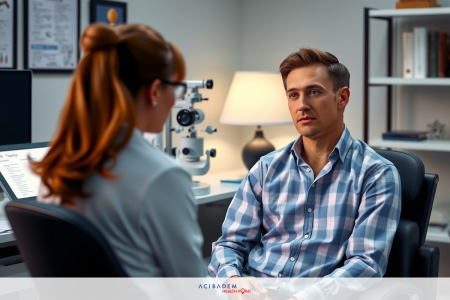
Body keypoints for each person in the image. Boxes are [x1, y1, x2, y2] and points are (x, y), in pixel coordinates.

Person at [209, 48, 401, 299]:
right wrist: (234, 281)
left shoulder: (376, 174)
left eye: (314, 92)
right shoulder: (265, 168)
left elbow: (366, 264)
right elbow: (229, 244)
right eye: (293, 95)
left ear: (342, 98)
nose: (302, 105)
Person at [32, 23, 207, 277]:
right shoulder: (163, 176)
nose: (175, 101)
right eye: (176, 88)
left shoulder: (55, 164)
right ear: (155, 91)